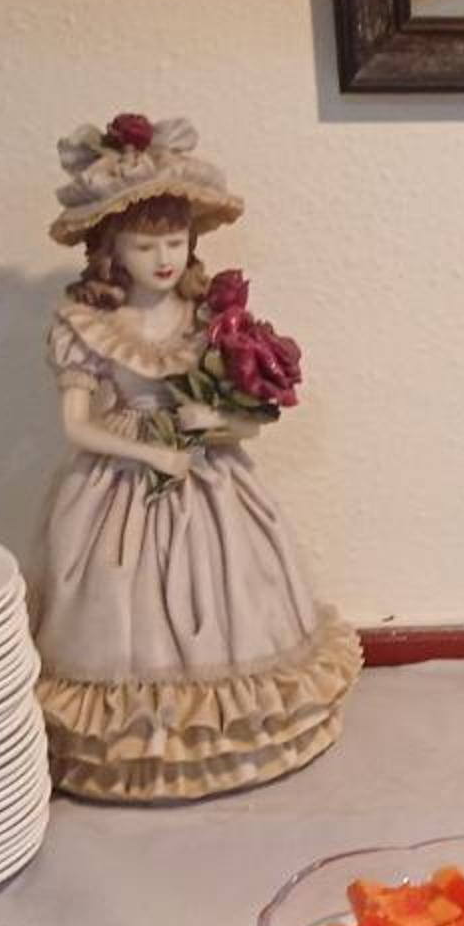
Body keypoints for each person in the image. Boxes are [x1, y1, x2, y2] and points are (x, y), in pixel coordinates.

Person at [35, 114, 359, 801]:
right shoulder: (88, 324)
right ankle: (131, 747)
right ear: (110, 249)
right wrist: (147, 455)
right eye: (144, 244)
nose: (163, 258)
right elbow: (76, 426)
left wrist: (216, 421)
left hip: (210, 481)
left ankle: (233, 735)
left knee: (232, 587)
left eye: (175, 242)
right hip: (120, 487)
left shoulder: (208, 316)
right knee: (119, 598)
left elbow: (249, 418)